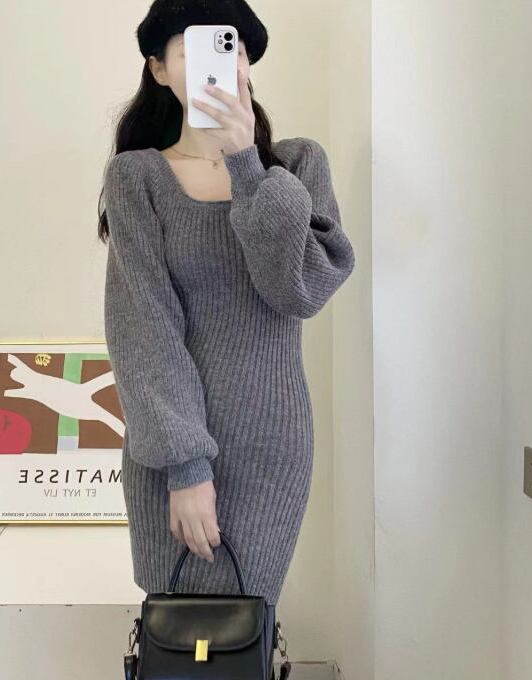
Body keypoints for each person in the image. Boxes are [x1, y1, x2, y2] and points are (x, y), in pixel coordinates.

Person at [98, 0, 355, 607]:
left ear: (246, 63)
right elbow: (144, 328)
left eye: (232, 45)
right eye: (195, 48)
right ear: (159, 69)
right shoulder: (137, 178)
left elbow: (298, 290)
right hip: (172, 449)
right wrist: (187, 466)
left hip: (273, 444)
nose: (224, 60)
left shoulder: (296, 165)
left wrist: (245, 162)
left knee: (249, 623)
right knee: (177, 626)